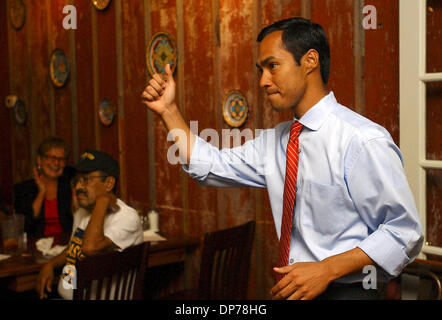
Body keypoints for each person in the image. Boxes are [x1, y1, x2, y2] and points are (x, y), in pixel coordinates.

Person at [141, 17, 423, 300]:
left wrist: (326, 269)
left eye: (272, 66)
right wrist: (168, 111)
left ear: (310, 60)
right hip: (293, 290)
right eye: (260, 70)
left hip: (350, 291)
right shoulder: (276, 141)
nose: (263, 81)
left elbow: (403, 232)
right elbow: (208, 166)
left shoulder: (361, 139)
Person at [36, 150, 143, 300]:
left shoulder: (126, 217)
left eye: (86, 179)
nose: (78, 186)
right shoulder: (82, 212)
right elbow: (75, 250)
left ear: (109, 183)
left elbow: (89, 248)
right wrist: (52, 264)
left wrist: (103, 200)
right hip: (67, 296)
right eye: (76, 180)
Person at [14, 136, 74, 238]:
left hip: (66, 246)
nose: (56, 163)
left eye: (61, 159)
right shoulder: (23, 189)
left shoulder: (69, 186)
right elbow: (25, 226)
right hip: (34, 247)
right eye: (51, 158)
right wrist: (41, 192)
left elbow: (76, 223)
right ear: (39, 160)